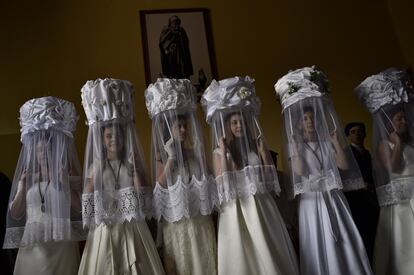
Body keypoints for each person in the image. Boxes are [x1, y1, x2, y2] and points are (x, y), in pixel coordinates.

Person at [275, 66, 372, 275]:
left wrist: (336, 143)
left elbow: (343, 166)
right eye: (305, 119)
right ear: (299, 124)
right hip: (312, 200)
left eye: (312, 118)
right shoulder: (296, 146)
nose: (310, 122)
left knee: (343, 237)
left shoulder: (326, 142)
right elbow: (299, 171)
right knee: (319, 240)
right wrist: (296, 148)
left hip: (332, 196)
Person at [202, 76, 299, 275]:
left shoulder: (255, 147)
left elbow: (269, 179)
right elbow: (225, 184)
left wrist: (263, 153)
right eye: (234, 123)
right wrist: (225, 152)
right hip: (236, 206)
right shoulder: (219, 152)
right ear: (228, 126)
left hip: (261, 202)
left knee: (269, 246)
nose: (239, 126)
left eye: (241, 122)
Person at [78, 78, 165, 275]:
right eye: (109, 136)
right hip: (105, 229)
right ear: (103, 139)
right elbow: (88, 195)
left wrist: (134, 170)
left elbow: (142, 196)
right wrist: (99, 170)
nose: (114, 139)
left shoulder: (130, 163)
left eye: (117, 135)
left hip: (132, 226)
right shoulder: (96, 166)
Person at [3, 97, 85, 275]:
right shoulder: (28, 177)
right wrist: (23, 187)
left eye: (47, 150)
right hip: (33, 244)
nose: (43, 154)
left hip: (61, 243)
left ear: (55, 150)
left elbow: (79, 211)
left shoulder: (67, 174)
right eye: (39, 151)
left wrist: (66, 186)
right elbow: (15, 213)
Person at [145, 78, 217, 275]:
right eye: (179, 126)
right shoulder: (161, 156)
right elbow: (159, 188)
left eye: (185, 126)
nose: (184, 130)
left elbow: (209, 179)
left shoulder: (194, 154)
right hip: (177, 223)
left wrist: (201, 155)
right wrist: (171, 158)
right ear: (170, 130)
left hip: (199, 220)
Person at [356, 68, 414, 275]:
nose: (404, 122)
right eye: (399, 119)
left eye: (404, 118)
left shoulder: (411, 142)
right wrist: (397, 144)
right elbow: (394, 168)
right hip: (402, 199)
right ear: (389, 122)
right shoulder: (384, 144)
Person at [343, 122, 379, 262]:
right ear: (348, 136)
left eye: (359, 131)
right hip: (355, 200)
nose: (357, 134)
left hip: (370, 198)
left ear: (364, 134)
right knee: (363, 233)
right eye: (353, 132)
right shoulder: (347, 152)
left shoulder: (368, 153)